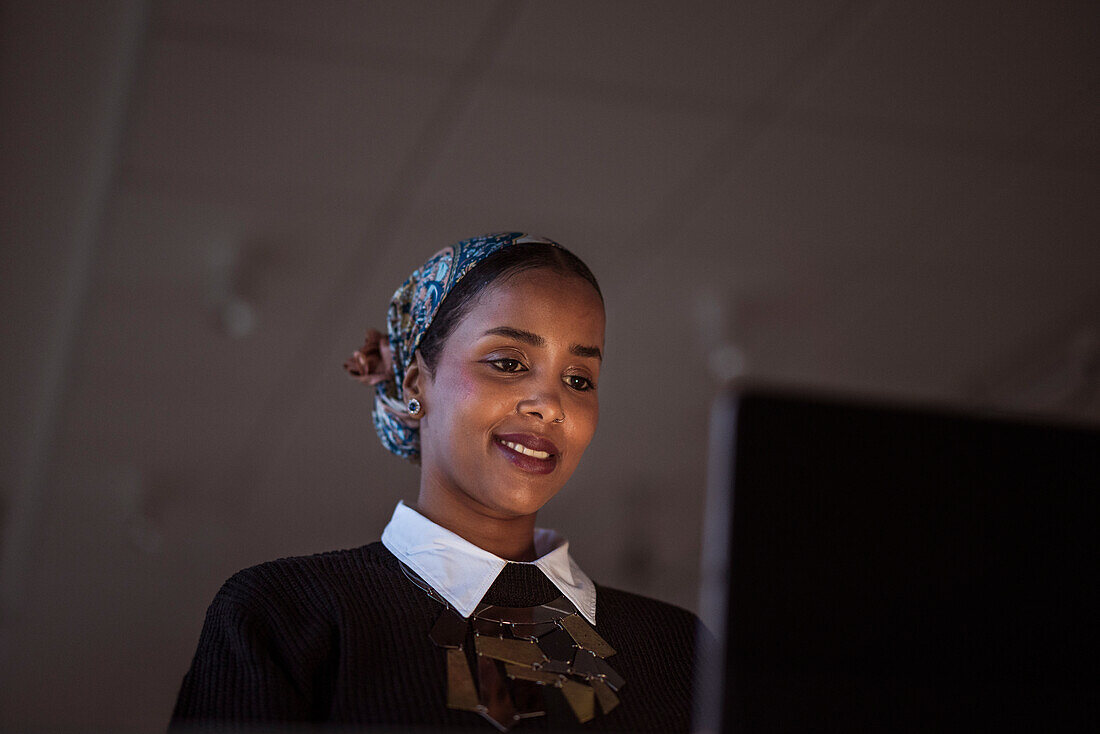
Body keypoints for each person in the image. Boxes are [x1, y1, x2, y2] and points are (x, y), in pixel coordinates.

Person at [171, 233, 699, 731]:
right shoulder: (287, 615)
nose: (551, 405)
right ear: (415, 383)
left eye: (578, 379)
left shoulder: (681, 650)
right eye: (509, 362)